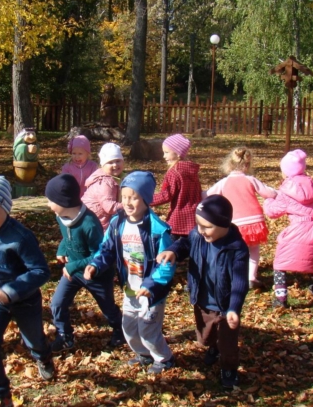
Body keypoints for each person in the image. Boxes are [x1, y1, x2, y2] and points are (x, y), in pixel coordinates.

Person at [0, 173, 54, 406]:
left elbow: (40, 271)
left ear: (7, 208)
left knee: (33, 341)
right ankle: (0, 394)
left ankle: (43, 356)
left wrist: (10, 290)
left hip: (24, 300)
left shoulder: (21, 237)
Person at [83, 171, 176, 374]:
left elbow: (166, 264)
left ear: (146, 199)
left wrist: (151, 286)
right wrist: (96, 264)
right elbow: (106, 249)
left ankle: (164, 358)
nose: (128, 202)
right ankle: (143, 354)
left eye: (134, 197)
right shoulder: (117, 223)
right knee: (129, 327)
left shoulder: (158, 230)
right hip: (130, 288)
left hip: (151, 291)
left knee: (148, 329)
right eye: (124, 197)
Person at [156, 195, 249, 390]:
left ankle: (229, 368)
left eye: (207, 226)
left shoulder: (237, 248)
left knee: (228, 344)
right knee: (205, 336)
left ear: (223, 224)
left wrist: (234, 308)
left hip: (225, 305)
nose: (201, 230)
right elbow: (184, 244)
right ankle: (213, 347)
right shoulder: (198, 236)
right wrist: (173, 251)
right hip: (202, 299)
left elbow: (240, 282)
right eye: (198, 224)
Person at [45, 174, 125, 352]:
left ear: (63, 202)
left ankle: (120, 329)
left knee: (108, 308)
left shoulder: (89, 223)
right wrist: (62, 249)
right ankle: (65, 336)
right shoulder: (61, 217)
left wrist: (73, 266)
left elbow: (99, 253)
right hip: (73, 273)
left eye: (50, 200)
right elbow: (67, 237)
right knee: (57, 303)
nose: (48, 204)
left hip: (96, 274)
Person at [262, 150, 313, 308]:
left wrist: (268, 199)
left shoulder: (286, 190)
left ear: (286, 172)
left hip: (299, 229)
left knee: (280, 263)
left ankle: (281, 298)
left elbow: (273, 212)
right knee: (312, 261)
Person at [206, 146, 277, 290]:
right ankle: (251, 277)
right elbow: (269, 193)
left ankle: (232, 275)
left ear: (229, 164)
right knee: (254, 250)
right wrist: (280, 192)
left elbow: (207, 195)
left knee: (232, 250)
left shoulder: (224, 182)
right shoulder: (251, 180)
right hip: (254, 221)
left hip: (235, 223)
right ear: (247, 165)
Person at [151, 134, 202, 240]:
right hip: (194, 218)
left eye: (167, 152)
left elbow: (166, 195)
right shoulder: (191, 171)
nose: (164, 156)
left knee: (173, 251)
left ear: (178, 153)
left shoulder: (174, 172)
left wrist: (146, 199)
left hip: (178, 220)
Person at [82, 143, 125, 230]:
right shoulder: (104, 182)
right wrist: (127, 205)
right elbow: (109, 207)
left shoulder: (119, 177)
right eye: (110, 162)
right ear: (103, 165)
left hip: (104, 218)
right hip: (95, 220)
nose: (115, 165)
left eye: (118, 161)